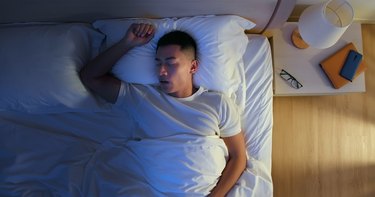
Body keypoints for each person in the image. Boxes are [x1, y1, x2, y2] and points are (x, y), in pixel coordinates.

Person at [79, 23, 246, 196]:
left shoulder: (217, 103)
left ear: (193, 67)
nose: (162, 71)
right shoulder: (142, 98)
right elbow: (90, 77)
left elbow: (239, 156)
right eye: (158, 63)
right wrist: (126, 43)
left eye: (170, 63)